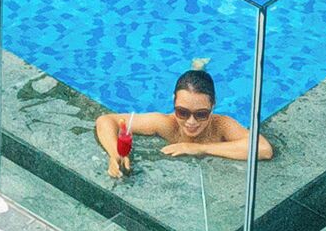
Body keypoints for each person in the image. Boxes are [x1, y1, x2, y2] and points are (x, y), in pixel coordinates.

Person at [96, 69, 271, 178]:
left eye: (201, 114)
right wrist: (115, 153)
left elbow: (263, 149)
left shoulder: (221, 125)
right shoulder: (165, 123)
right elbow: (106, 120)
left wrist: (199, 148)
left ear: (213, 105)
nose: (191, 122)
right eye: (182, 112)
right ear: (173, 103)